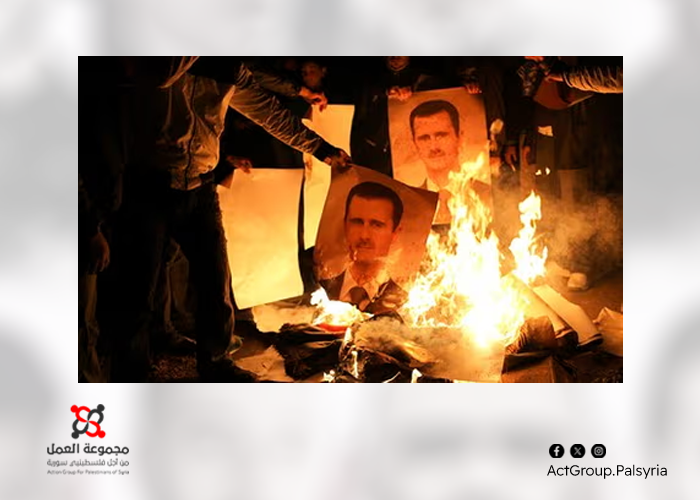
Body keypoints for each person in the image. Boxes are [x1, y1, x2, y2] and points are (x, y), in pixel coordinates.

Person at [104, 57, 350, 382]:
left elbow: (270, 113)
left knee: (214, 281)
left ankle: (215, 362)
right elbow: (160, 76)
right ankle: (130, 373)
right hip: (150, 184)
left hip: (199, 186)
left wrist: (321, 148)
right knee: (139, 286)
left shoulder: (227, 69)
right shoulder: (161, 60)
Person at [321, 181, 407, 314]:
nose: (364, 235)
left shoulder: (407, 303)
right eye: (357, 222)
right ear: (345, 225)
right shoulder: (319, 289)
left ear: (395, 233)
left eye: (376, 225)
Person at [407, 99, 491, 223]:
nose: (434, 147)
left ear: (460, 138)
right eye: (424, 138)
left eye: (441, 135)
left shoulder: (487, 194)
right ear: (414, 144)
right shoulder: (409, 204)